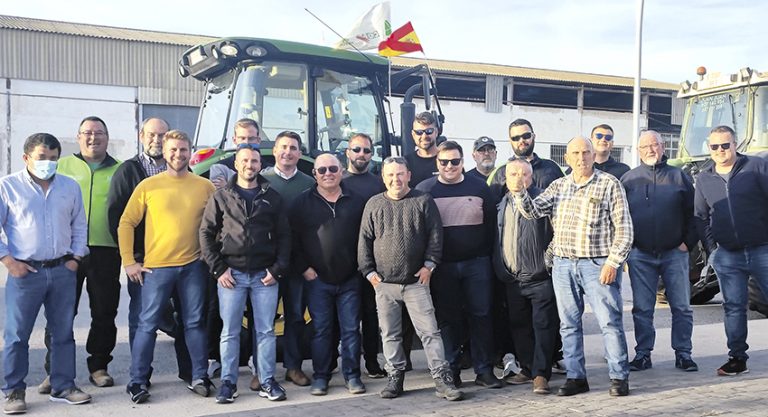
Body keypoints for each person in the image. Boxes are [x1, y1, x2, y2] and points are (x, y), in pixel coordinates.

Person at [509, 136, 633, 397]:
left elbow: (624, 229)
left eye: (585, 152)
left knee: (609, 322)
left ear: (593, 154)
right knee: (568, 325)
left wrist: (613, 262)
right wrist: (520, 192)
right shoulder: (558, 186)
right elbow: (533, 212)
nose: (581, 157)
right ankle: (577, 377)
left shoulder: (609, 184)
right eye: (575, 153)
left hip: (597, 265)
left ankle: (618, 376)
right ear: (567, 158)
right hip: (564, 265)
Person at [118, 130, 215, 404]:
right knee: (147, 325)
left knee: (195, 323)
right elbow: (126, 222)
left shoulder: (204, 186)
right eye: (173, 150)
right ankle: (137, 381)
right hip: (156, 269)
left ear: (190, 151)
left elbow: (217, 224)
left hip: (193, 267)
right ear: (164, 151)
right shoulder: (149, 185)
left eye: (183, 150)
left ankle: (199, 376)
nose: (178, 154)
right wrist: (129, 262)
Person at [358, 156, 463, 401]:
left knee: (430, 333)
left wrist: (429, 265)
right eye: (390, 175)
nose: (396, 179)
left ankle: (442, 379)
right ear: (383, 177)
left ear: (408, 175)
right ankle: (395, 378)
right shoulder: (373, 204)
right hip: (384, 284)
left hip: (417, 283)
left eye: (400, 174)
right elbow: (364, 240)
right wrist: (369, 273)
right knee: (390, 334)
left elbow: (435, 236)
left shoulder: (422, 200)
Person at [1, 133, 91, 414]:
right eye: (42, 157)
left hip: (62, 269)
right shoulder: (8, 187)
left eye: (53, 158)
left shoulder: (69, 187)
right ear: (26, 157)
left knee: (63, 332)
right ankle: (14, 390)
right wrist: (8, 260)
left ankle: (63, 386)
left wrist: (76, 258)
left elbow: (79, 225)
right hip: (25, 272)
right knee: (17, 334)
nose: (48, 163)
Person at [200, 143, 290, 403]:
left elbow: (285, 236)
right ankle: (228, 383)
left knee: (265, 331)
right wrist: (219, 269)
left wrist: (277, 270)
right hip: (232, 274)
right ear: (236, 165)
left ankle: (267, 381)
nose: (249, 165)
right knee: (229, 331)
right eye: (244, 161)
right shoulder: (221, 196)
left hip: (265, 276)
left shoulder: (272, 197)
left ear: (260, 165)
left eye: (254, 161)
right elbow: (206, 234)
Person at [106, 117, 192, 386]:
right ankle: (141, 376)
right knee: (143, 320)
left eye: (162, 135)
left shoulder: (187, 172)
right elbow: (118, 218)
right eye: (152, 134)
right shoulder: (129, 171)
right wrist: (130, 259)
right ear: (142, 136)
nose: (157, 139)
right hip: (145, 262)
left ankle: (189, 372)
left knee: (186, 318)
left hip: (182, 261)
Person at [415, 141, 501, 389]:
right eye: (444, 162)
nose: (450, 166)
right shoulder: (425, 190)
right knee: (448, 320)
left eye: (455, 161)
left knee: (481, 316)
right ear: (437, 163)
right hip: (443, 267)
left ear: (463, 162)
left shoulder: (480, 188)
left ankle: (483, 370)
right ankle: (451, 369)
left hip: (477, 264)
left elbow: (490, 227)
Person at [49, 116, 122, 389]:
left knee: (104, 311)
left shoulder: (120, 169)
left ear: (107, 137)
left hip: (107, 251)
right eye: (88, 133)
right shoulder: (62, 166)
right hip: (66, 251)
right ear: (79, 137)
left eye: (99, 133)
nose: (93, 138)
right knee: (61, 313)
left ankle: (99, 365)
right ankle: (54, 369)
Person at [621, 130, 698, 372]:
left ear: (664, 147)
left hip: (674, 253)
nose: (651, 150)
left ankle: (683, 353)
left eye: (655, 145)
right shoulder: (629, 180)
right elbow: (619, 218)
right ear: (638, 151)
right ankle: (643, 354)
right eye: (645, 147)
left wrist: (687, 242)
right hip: (640, 254)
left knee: (682, 307)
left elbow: (694, 213)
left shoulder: (680, 177)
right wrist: (626, 250)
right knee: (643, 308)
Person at [694, 125, 768, 376]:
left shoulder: (756, 167)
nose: (720, 150)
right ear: (709, 147)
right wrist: (713, 249)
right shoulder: (704, 178)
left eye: (725, 145)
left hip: (762, 250)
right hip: (727, 254)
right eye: (715, 146)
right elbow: (701, 217)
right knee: (734, 307)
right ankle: (737, 359)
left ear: (735, 144)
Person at [292, 154, 367, 396]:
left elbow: (367, 237)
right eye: (321, 169)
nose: (327, 173)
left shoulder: (357, 201)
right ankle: (321, 376)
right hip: (318, 280)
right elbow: (292, 240)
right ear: (314, 174)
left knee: (351, 330)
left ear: (341, 170)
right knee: (321, 330)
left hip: (350, 278)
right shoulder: (302, 203)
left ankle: (353, 376)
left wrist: (361, 267)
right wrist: (305, 268)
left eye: (332, 168)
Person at [493, 158, 560, 395]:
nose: (518, 179)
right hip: (512, 278)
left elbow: (557, 233)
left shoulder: (543, 199)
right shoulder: (501, 203)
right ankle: (528, 368)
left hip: (539, 276)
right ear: (506, 178)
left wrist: (546, 262)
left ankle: (541, 374)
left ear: (531, 178)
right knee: (519, 326)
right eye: (513, 174)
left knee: (543, 326)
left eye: (523, 174)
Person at [260, 131, 315, 387]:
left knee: (294, 316)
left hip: (297, 264)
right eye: (283, 147)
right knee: (264, 319)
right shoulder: (262, 181)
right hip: (268, 264)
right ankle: (262, 371)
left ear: (299, 153)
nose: (288, 152)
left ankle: (293, 367)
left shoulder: (308, 183)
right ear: (274, 151)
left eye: (293, 148)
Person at [341, 133, 387, 378]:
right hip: (344, 259)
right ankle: (338, 364)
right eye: (356, 149)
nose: (361, 154)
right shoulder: (338, 180)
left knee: (371, 314)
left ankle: (371, 361)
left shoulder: (377, 184)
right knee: (345, 317)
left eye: (366, 151)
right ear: (348, 152)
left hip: (371, 260)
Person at [210, 118, 262, 189]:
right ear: (234, 140)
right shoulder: (220, 168)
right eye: (242, 138)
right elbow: (220, 196)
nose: (246, 143)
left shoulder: (268, 169)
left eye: (251, 138)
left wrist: (227, 186)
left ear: (258, 140)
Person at [404, 111, 440, 187]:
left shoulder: (449, 161)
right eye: (419, 132)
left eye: (429, 131)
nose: (424, 136)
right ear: (413, 135)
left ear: (436, 132)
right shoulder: (406, 163)